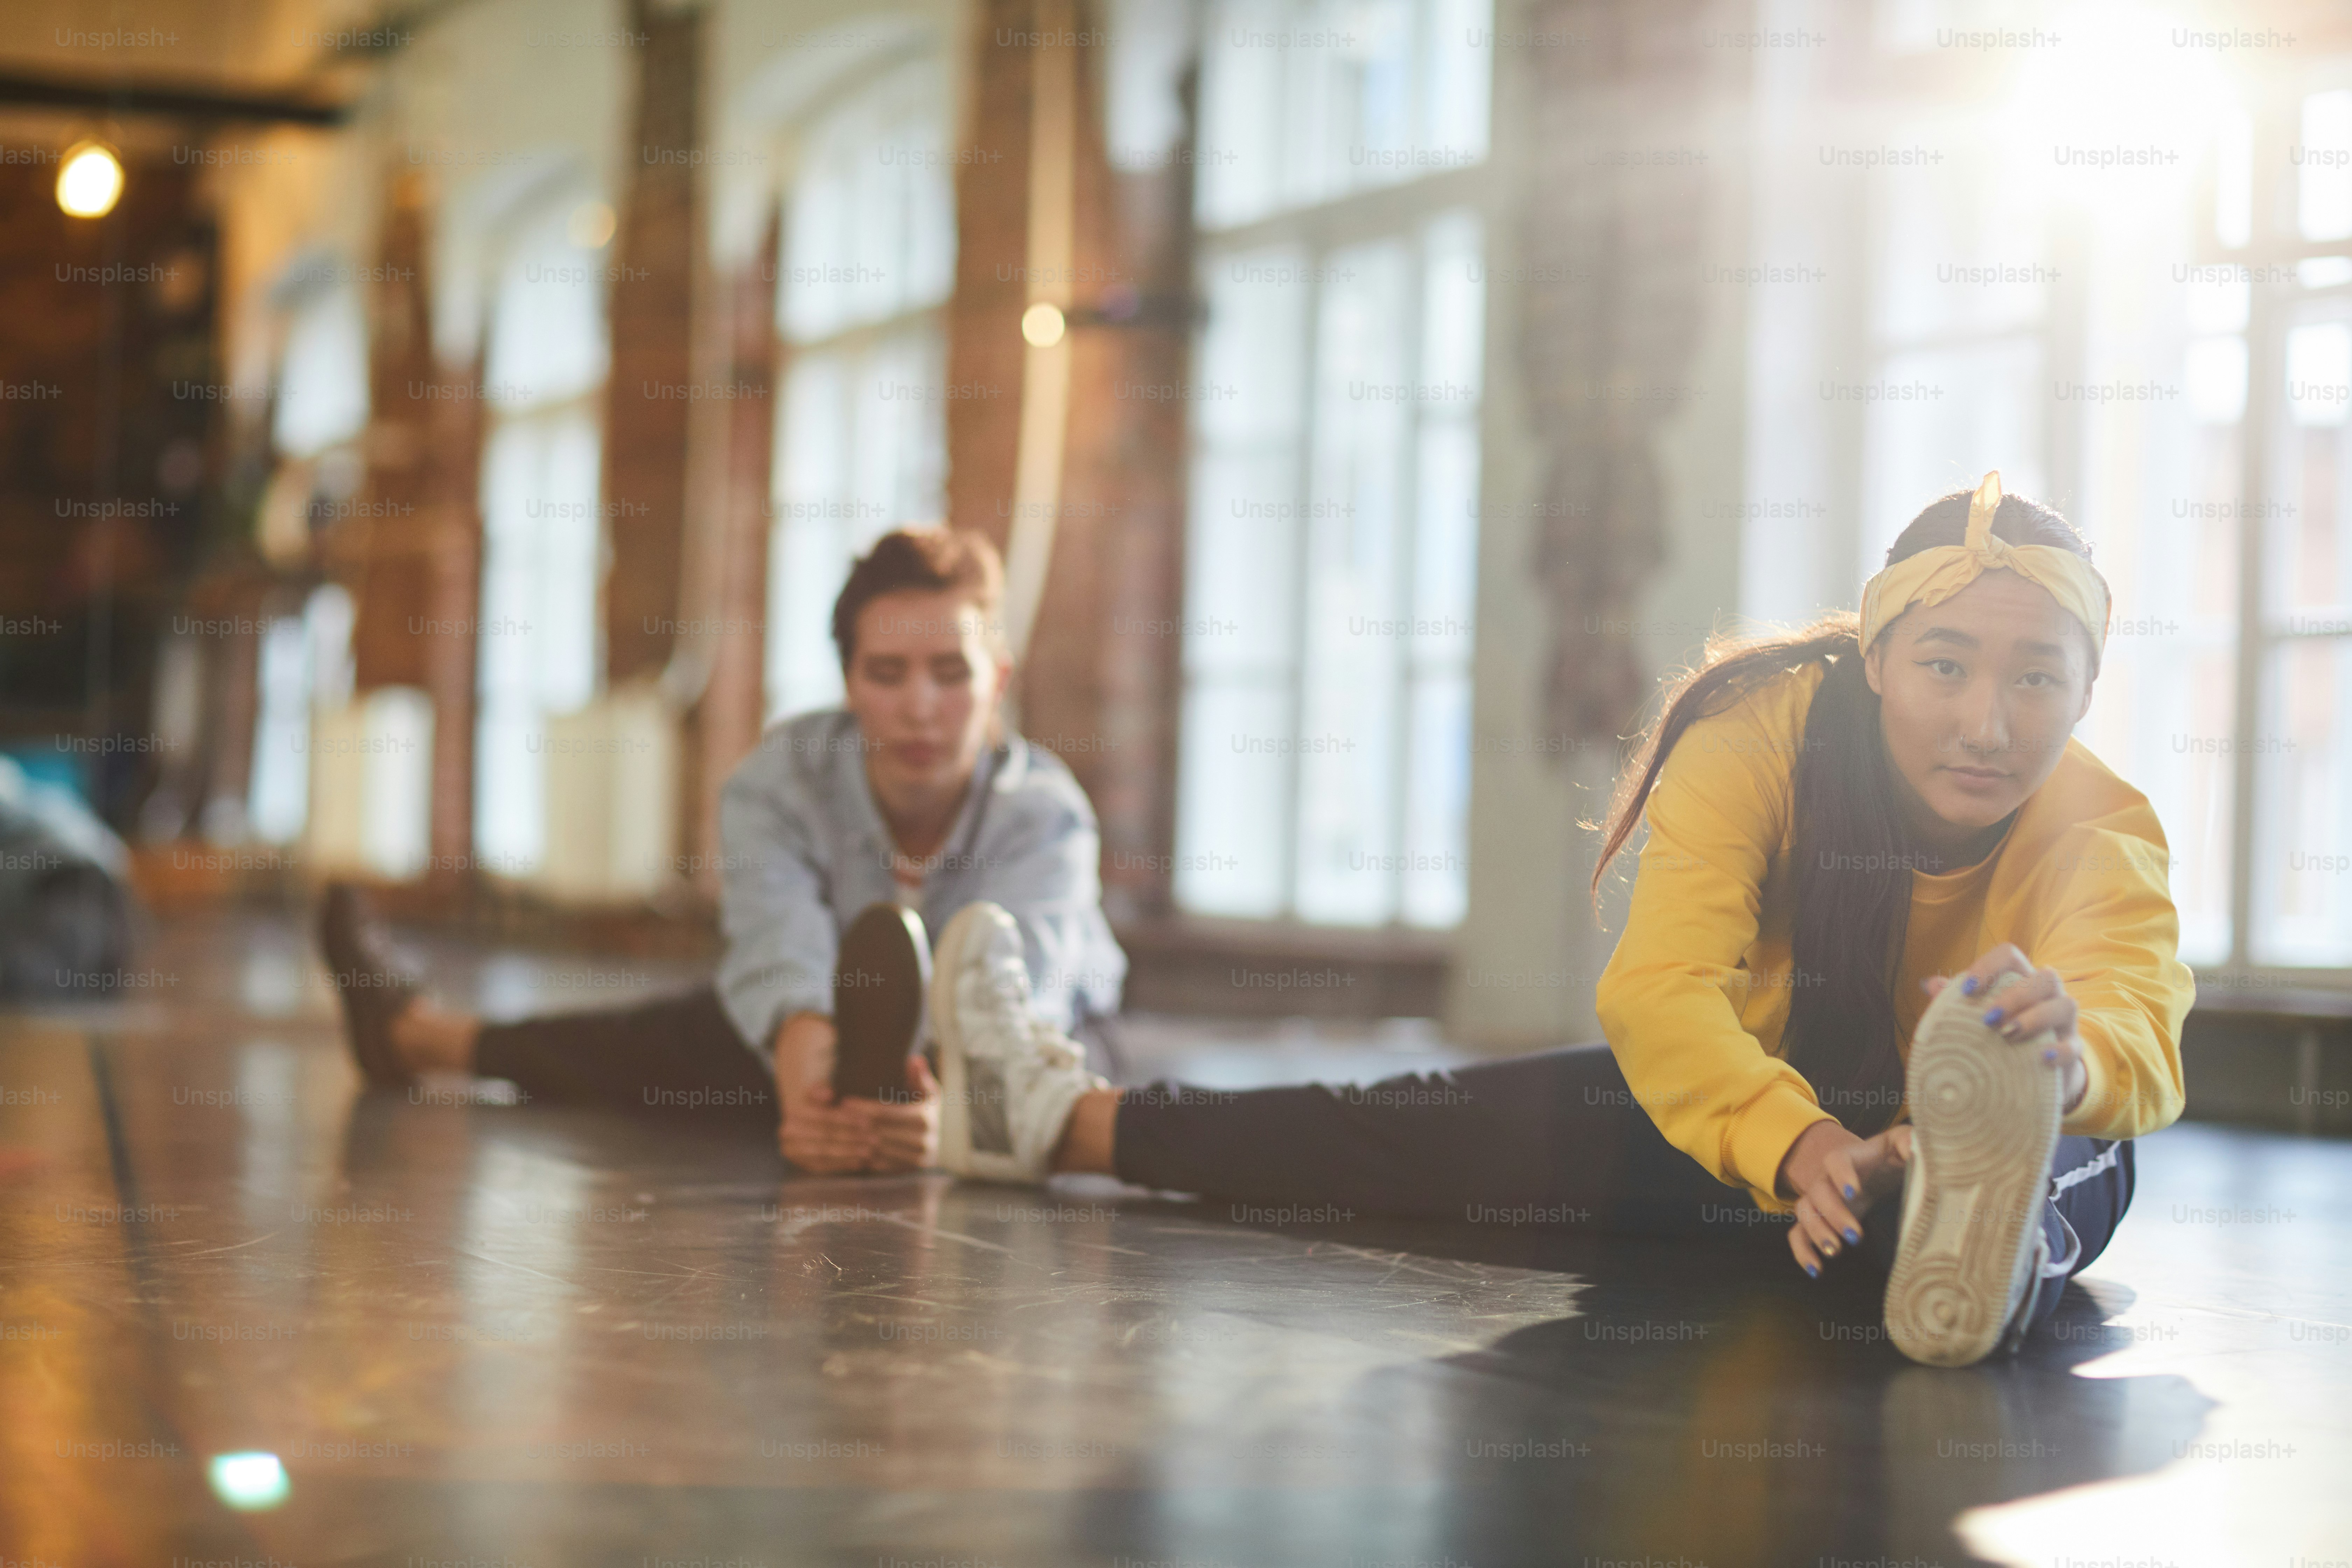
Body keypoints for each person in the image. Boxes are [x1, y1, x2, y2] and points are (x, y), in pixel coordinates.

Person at [913, 474, 2191, 1367]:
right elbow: (1662, 991)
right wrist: (1800, 1143)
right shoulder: (1763, 738)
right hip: (1756, 1124)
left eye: (2037, 679)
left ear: (2085, 691)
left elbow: (2141, 1023)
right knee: (1406, 1132)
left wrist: (2066, 1059)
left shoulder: (2103, 826)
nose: (1987, 722)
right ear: (1874, 655)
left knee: (2071, 1147)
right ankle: (1041, 1116)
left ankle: (1974, 1239)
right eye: (1947, 664)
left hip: (1977, 1143)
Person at [318, 526, 1126, 1176]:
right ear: (848, 680)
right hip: (828, 1027)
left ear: (1000, 677)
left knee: (1070, 1097)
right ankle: (416, 1036)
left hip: (1019, 1044)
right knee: (658, 1042)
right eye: (888, 672)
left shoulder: (1047, 816)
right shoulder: (776, 782)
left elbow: (1021, 1015)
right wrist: (810, 1094)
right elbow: (782, 948)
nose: (921, 706)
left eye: (952, 672)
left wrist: (948, 1118)